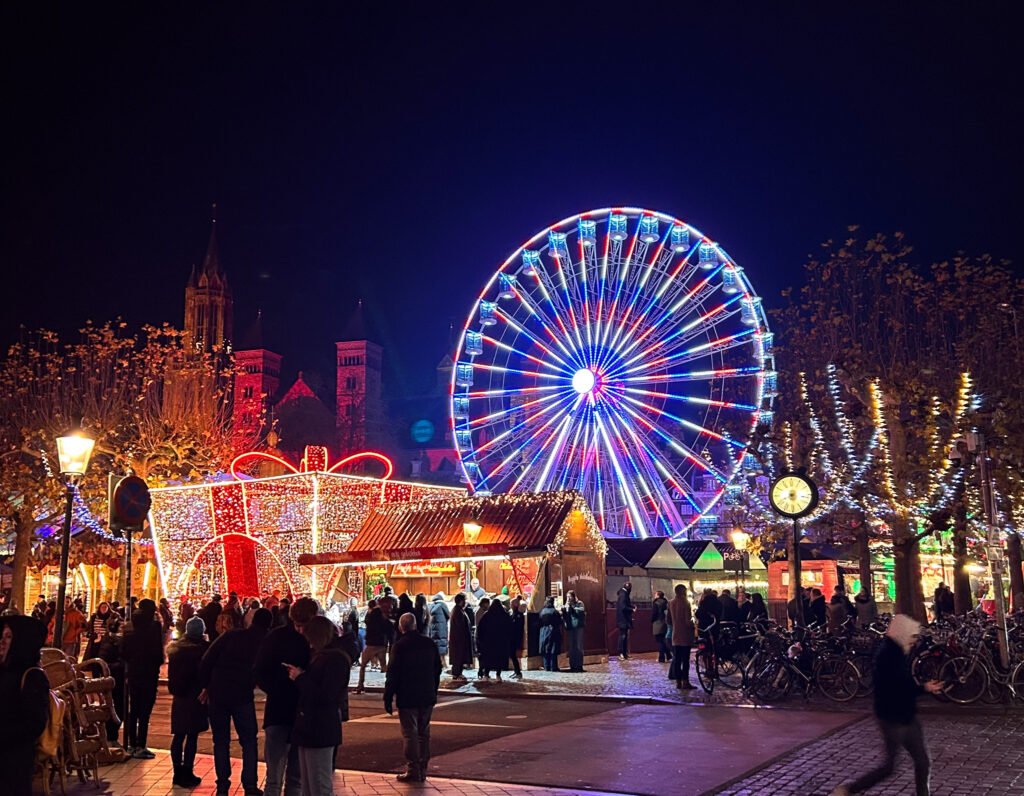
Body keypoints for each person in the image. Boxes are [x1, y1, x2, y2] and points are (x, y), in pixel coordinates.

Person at [831, 614, 942, 796]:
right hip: (893, 718)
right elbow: (899, 687)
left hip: (904, 715)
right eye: (912, 636)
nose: (914, 641)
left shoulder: (896, 651)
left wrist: (922, 688)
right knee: (890, 767)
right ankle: (848, 790)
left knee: (922, 761)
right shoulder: (889, 656)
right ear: (902, 634)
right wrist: (924, 688)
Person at [201, 607, 272, 796]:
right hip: (242, 694)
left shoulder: (232, 635)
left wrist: (206, 685)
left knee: (221, 740)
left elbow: (207, 658)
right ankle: (249, 785)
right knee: (249, 740)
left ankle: (223, 784)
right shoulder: (265, 642)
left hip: (218, 691)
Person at [254, 596, 318, 796]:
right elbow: (260, 670)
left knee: (293, 778)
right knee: (277, 777)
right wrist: (280, 686)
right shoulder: (279, 637)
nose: (301, 630)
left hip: (296, 712)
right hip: (284, 710)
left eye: (304, 625)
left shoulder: (316, 640)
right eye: (298, 625)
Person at [286, 615, 351, 796]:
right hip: (310, 726)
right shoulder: (324, 657)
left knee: (319, 784)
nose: (309, 644)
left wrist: (301, 678)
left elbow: (325, 695)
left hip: (320, 727)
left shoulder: (334, 659)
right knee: (309, 784)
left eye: (311, 639)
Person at [384, 613, 442, 783]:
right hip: (426, 694)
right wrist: (433, 688)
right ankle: (423, 768)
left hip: (408, 695)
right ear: (415, 625)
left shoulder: (400, 646)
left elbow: (393, 674)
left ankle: (413, 769)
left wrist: (388, 697)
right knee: (424, 733)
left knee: (410, 734)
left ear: (402, 627)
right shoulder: (428, 643)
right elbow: (437, 668)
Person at [0, 615, 51, 796]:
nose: (2, 642)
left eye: (8, 637)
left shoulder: (32, 676)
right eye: (2, 636)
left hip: (13, 761)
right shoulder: (3, 671)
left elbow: (35, 723)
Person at [167, 617, 210, 788]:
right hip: (195, 696)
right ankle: (188, 770)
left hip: (179, 696)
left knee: (178, 735)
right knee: (192, 736)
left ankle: (178, 772)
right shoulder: (202, 650)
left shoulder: (176, 649)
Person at [122, 598, 164, 758]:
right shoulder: (154, 627)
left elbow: (124, 651)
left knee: (134, 709)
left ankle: (132, 743)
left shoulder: (130, 626)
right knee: (145, 711)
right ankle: (141, 744)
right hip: (149, 672)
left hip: (134, 671)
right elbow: (157, 652)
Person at [357, 598, 393, 692]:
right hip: (381, 644)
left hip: (371, 644)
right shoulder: (383, 617)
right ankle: (390, 685)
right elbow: (389, 629)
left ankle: (360, 685)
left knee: (363, 665)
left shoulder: (370, 616)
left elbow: (368, 627)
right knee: (384, 666)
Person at [666, 584, 695, 689]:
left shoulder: (670, 603)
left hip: (675, 636)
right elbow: (687, 622)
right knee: (685, 660)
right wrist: (692, 626)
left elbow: (668, 620)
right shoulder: (686, 603)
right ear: (683, 592)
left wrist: (675, 625)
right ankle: (685, 682)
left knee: (677, 660)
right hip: (685, 636)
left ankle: (678, 682)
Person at [476, 598, 511, 681]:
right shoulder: (505, 616)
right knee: (499, 659)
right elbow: (510, 629)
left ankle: (486, 675)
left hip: (489, 643)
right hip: (501, 643)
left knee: (488, 659)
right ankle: (498, 675)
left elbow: (480, 629)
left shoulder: (487, 616)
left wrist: (480, 641)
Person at [448, 593, 473, 682]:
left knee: (459, 657)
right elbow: (460, 627)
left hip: (459, 639)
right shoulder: (458, 611)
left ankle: (458, 673)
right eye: (464, 600)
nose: (465, 602)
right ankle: (456, 674)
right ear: (461, 601)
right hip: (458, 640)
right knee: (458, 658)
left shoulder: (458, 610)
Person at [562, 591, 586, 672]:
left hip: (578, 627)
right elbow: (566, 616)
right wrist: (564, 611)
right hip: (570, 627)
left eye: (570, 597)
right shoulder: (567, 604)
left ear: (574, 596)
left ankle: (579, 665)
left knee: (578, 646)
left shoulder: (579, 603)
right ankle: (572, 665)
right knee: (571, 647)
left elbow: (580, 611)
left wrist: (572, 608)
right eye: (567, 597)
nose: (568, 598)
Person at [539, 596, 564, 671]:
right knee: (553, 648)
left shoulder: (542, 611)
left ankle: (546, 666)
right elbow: (559, 621)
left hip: (544, 630)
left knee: (545, 648)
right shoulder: (554, 611)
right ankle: (553, 666)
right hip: (553, 630)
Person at [427, 592, 449, 667]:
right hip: (442, 628)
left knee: (436, 644)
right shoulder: (442, 605)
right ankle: (443, 663)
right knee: (442, 644)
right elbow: (448, 615)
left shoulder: (431, 606)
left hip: (433, 629)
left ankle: (436, 663)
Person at [650, 590, 671, 663]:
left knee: (659, 641)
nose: (654, 595)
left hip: (657, 623)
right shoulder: (666, 603)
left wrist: (652, 620)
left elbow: (654, 614)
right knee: (662, 640)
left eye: (655, 594)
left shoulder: (656, 603)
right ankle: (668, 656)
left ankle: (661, 658)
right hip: (664, 623)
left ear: (658, 595)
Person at [615, 582, 634, 660]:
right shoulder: (623, 594)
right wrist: (631, 609)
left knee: (624, 636)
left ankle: (624, 653)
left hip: (622, 619)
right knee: (623, 636)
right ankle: (622, 653)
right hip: (623, 619)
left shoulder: (622, 593)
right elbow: (623, 607)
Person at [508, 596, 526, 679]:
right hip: (513, 638)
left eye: (511, 604)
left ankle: (518, 672)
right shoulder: (514, 614)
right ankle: (516, 671)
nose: (510, 605)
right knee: (512, 655)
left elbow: (516, 627)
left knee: (513, 655)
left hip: (514, 638)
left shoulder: (518, 615)